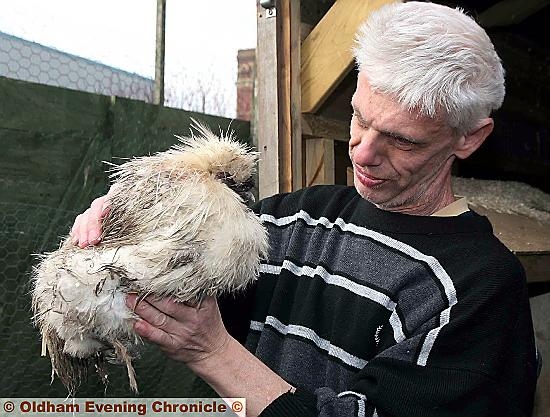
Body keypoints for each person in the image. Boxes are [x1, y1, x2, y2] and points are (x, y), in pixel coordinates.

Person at [71, 2, 538, 416]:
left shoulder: (477, 290)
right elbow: (184, 276)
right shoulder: (292, 220)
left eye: (401, 140)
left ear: (469, 138)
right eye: (359, 117)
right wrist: (130, 219)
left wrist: (212, 353)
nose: (362, 153)